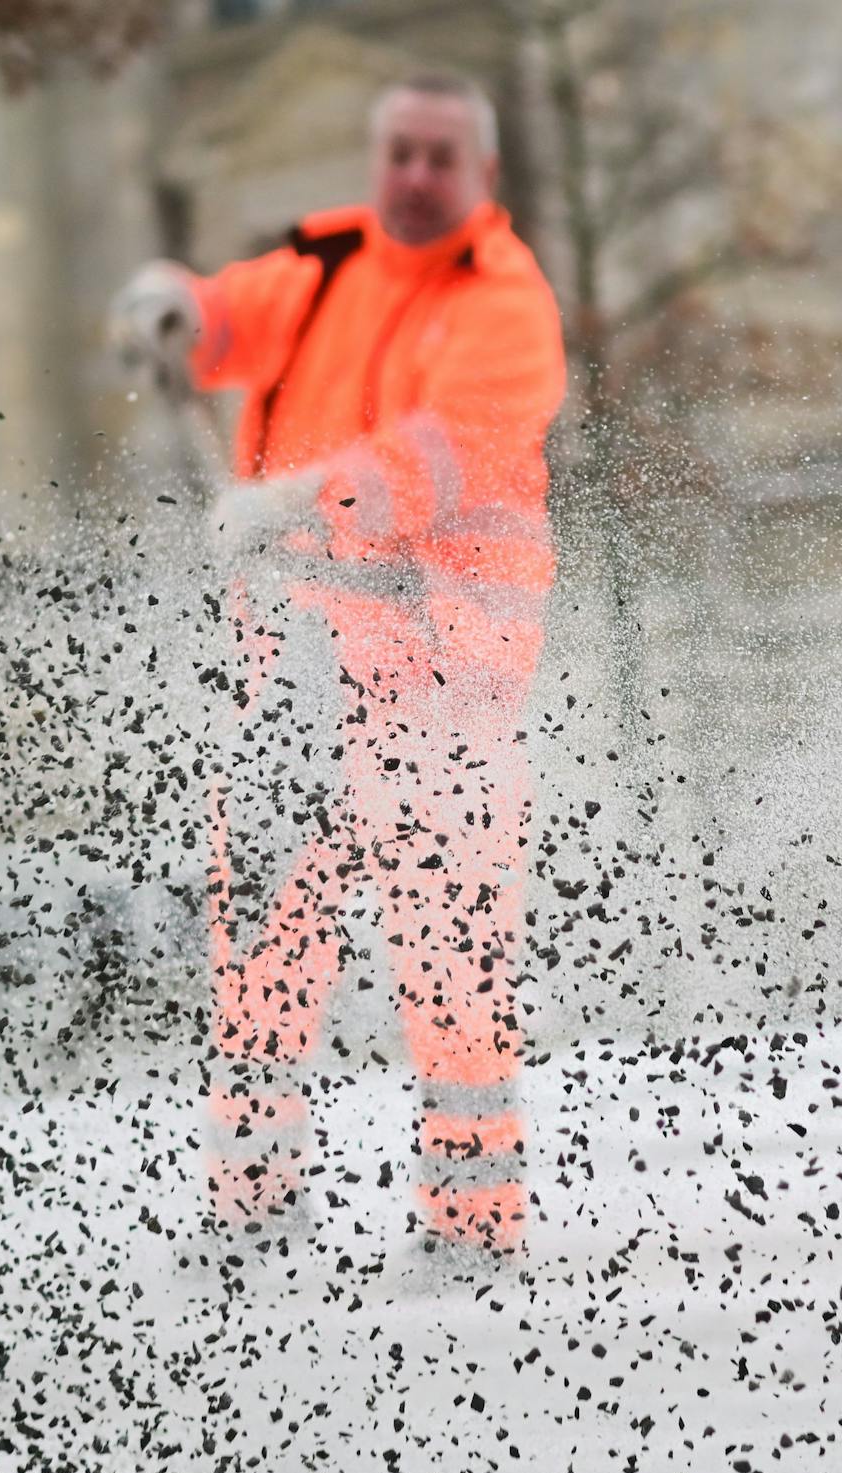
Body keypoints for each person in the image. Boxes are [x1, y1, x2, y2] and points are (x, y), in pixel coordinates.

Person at [109, 72, 567, 1270]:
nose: (414, 175)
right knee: (257, 951)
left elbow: (443, 454)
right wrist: (175, 308)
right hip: (302, 674)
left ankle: (473, 1225)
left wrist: (301, 499)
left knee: (452, 962)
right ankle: (250, 1207)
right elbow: (228, 315)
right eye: (399, 151)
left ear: (482, 175)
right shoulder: (325, 269)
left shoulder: (503, 302)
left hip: (441, 689)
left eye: (439, 156)